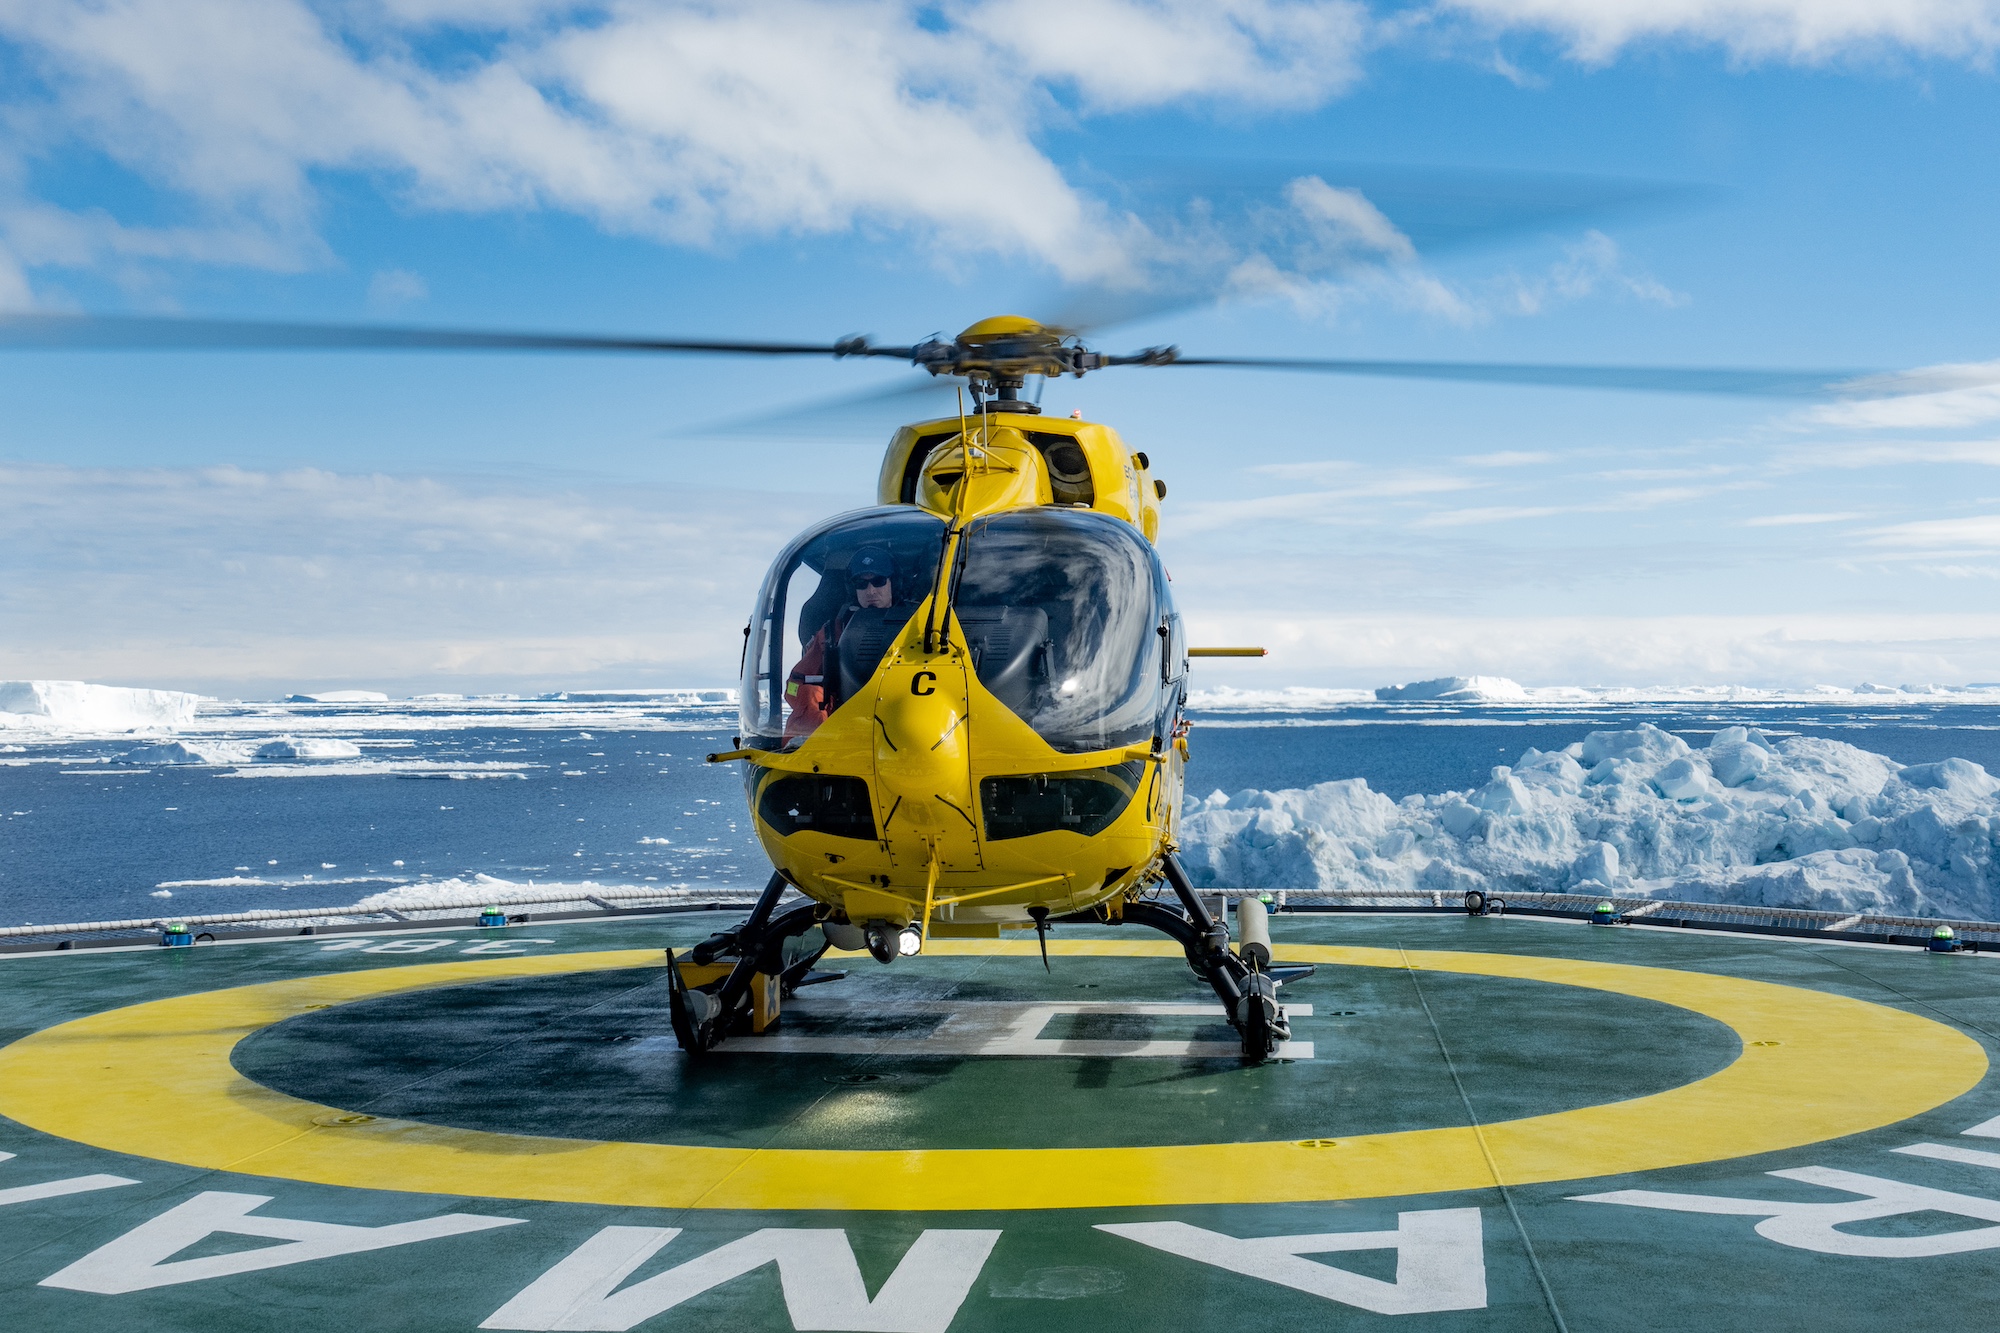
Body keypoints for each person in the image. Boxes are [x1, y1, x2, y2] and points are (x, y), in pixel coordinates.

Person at [784, 545, 896, 738]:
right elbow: (793, 685)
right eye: (861, 584)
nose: (870, 591)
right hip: (848, 730)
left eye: (878, 581)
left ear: (894, 583)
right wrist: (812, 699)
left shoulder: (923, 625)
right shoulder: (833, 632)